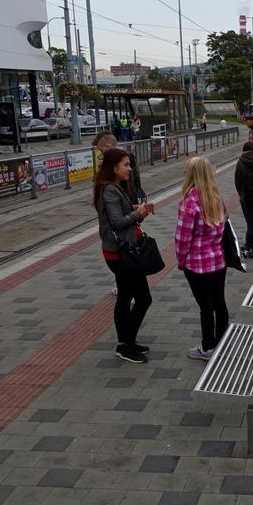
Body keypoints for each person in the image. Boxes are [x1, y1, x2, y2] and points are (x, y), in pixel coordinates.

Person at [94, 147, 155, 364]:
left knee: (127, 297)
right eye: (126, 165)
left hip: (122, 252)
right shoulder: (109, 190)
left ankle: (126, 342)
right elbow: (117, 222)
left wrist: (136, 211)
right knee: (142, 298)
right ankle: (125, 344)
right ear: (114, 167)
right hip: (120, 253)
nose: (130, 169)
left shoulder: (115, 187)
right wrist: (136, 213)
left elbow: (121, 216)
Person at [175, 156, 230, 361]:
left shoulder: (189, 202)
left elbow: (182, 238)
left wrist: (181, 261)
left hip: (197, 264)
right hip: (218, 260)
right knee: (219, 302)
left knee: (205, 306)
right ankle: (222, 342)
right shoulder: (216, 198)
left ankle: (207, 347)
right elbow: (223, 229)